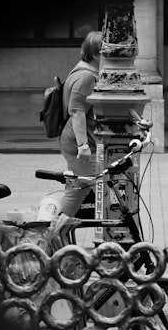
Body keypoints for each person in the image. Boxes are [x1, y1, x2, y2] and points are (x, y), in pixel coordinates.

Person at [58, 30, 103, 217]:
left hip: (76, 139)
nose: (109, 58)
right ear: (94, 53)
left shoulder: (83, 69)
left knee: (80, 187)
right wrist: (83, 145)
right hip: (78, 141)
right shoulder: (86, 76)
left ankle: (58, 230)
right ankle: (54, 232)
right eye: (105, 53)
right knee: (84, 187)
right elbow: (76, 111)